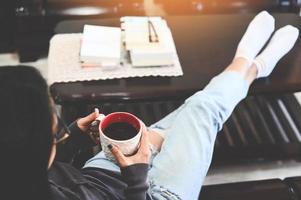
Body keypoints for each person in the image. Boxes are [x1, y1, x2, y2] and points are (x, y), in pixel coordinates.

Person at [0, 11, 299, 200]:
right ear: (29, 154)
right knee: (201, 110)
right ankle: (248, 64)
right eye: (54, 135)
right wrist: (136, 179)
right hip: (148, 193)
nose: (59, 133)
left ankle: (250, 67)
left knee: (195, 109)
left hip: (102, 174)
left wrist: (72, 138)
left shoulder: (13, 172)